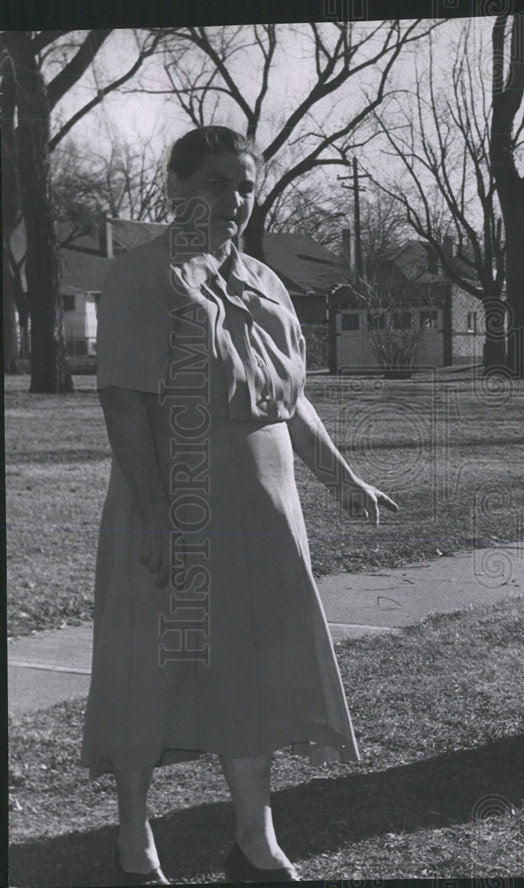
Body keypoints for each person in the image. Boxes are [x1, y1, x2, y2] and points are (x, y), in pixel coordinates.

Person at [81, 125, 398, 884]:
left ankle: (256, 843)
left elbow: (291, 399)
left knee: (253, 671)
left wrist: (342, 479)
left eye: (246, 185)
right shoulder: (141, 276)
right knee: (149, 666)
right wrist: (156, 511)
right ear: (177, 188)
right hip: (175, 503)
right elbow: (123, 401)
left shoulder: (264, 279)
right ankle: (134, 836)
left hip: (265, 514)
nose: (236, 199)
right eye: (219, 182)